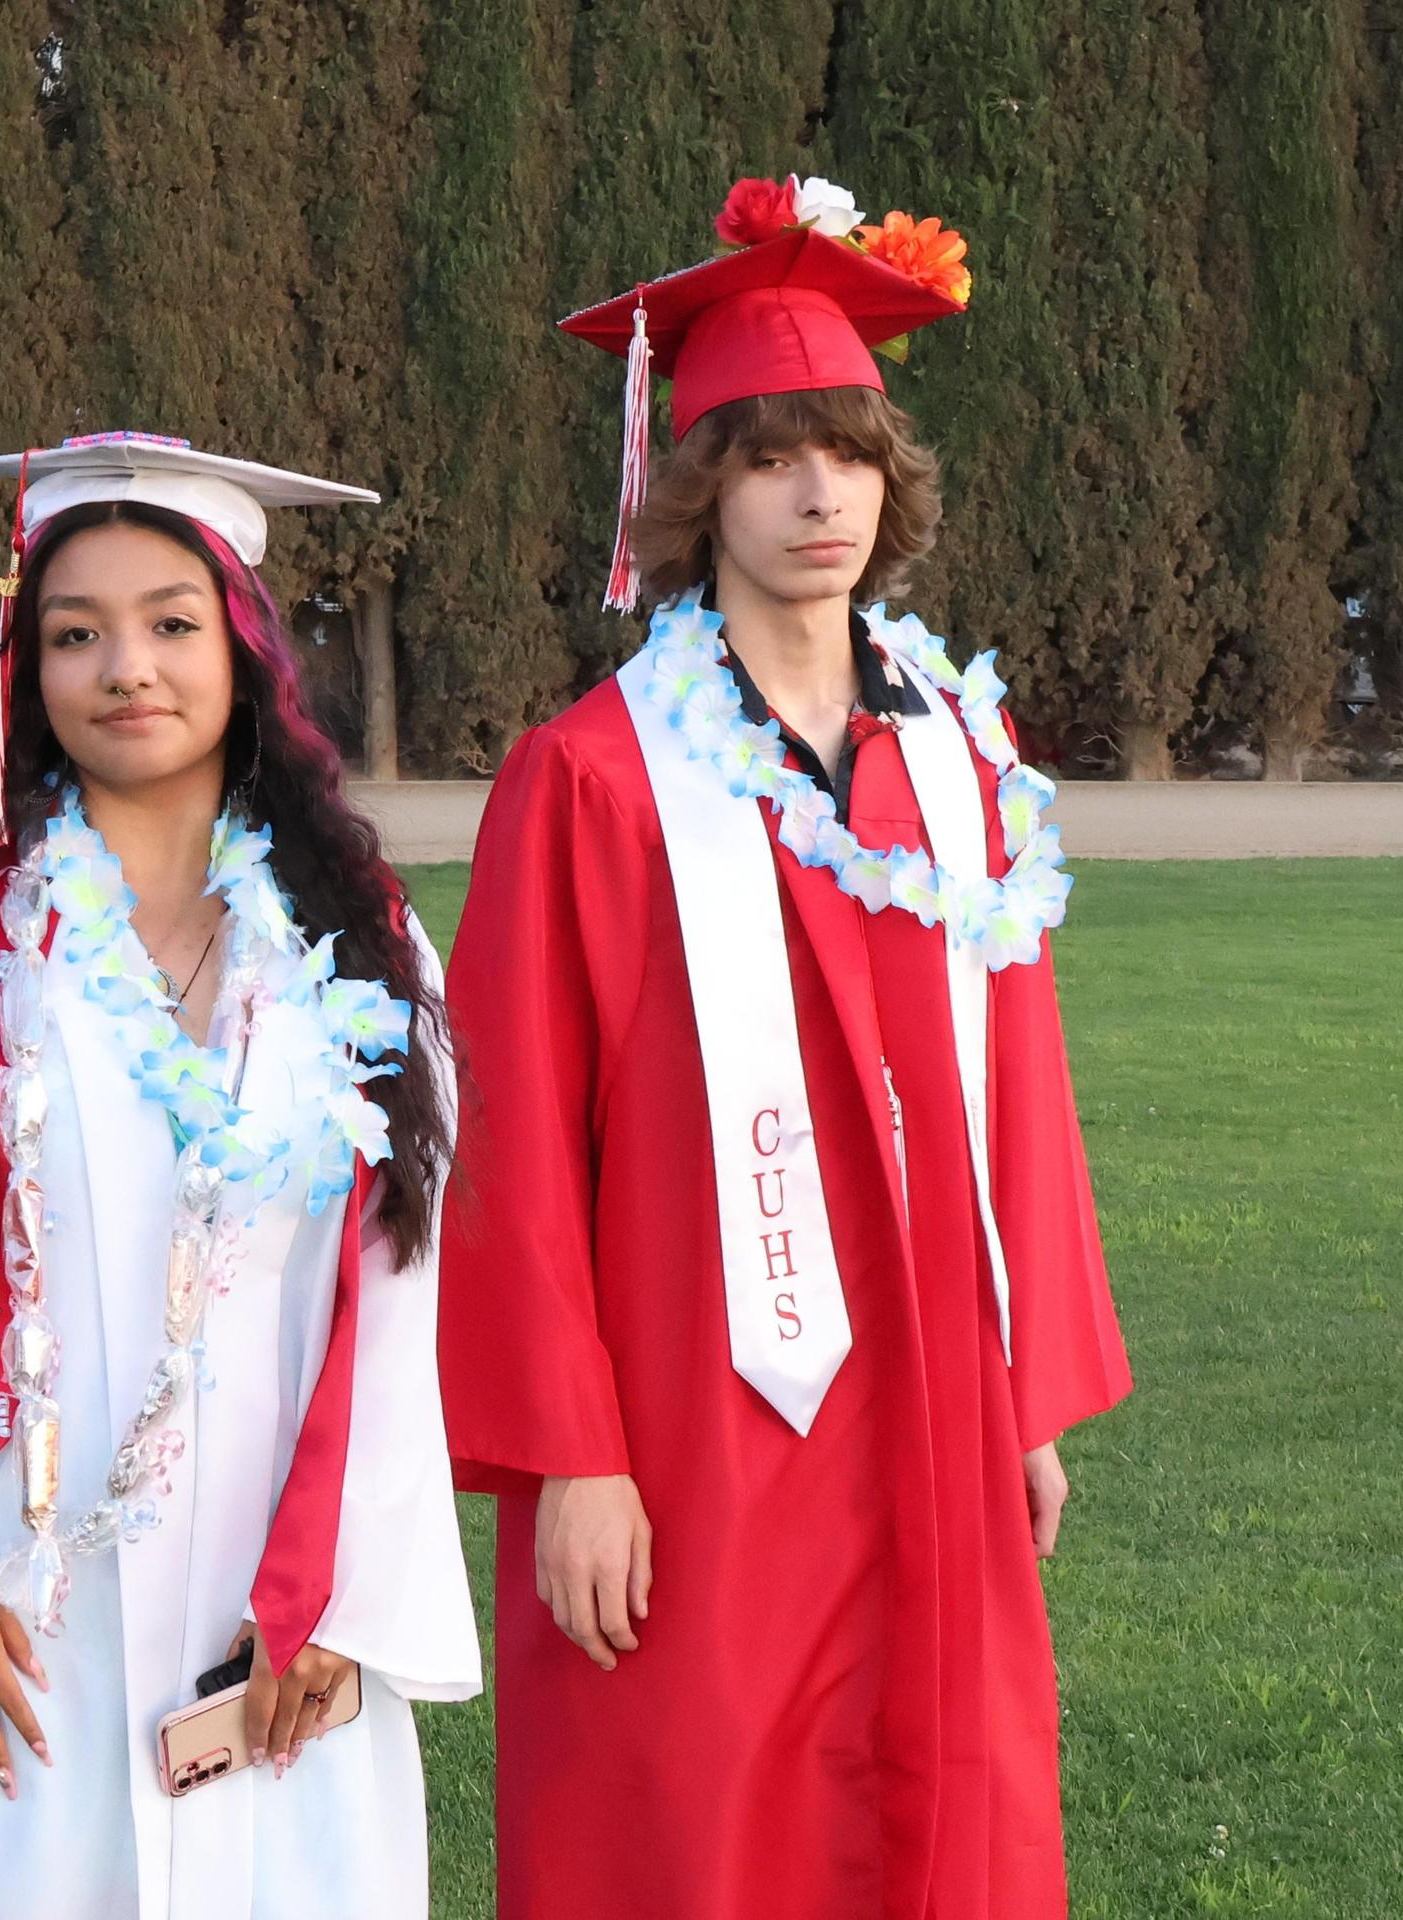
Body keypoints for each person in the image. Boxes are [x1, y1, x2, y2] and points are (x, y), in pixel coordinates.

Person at [438, 175, 1132, 1918]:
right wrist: (571, 1459)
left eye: (848, 453)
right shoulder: (593, 777)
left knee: (940, 1793)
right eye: (765, 456)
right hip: (696, 1408)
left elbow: (1014, 1094)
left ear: (892, 482)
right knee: (697, 1806)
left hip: (931, 1393)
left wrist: (1022, 1387)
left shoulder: (957, 767)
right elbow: (515, 1139)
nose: (819, 492)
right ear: (693, 492)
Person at [0, 430, 481, 1920]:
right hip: (8, 1585)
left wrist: (353, 1588)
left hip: (280, 1584)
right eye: (75, 635)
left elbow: (404, 1287)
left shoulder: (356, 950)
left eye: (170, 624)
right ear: (30, 672)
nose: (126, 667)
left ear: (246, 652)